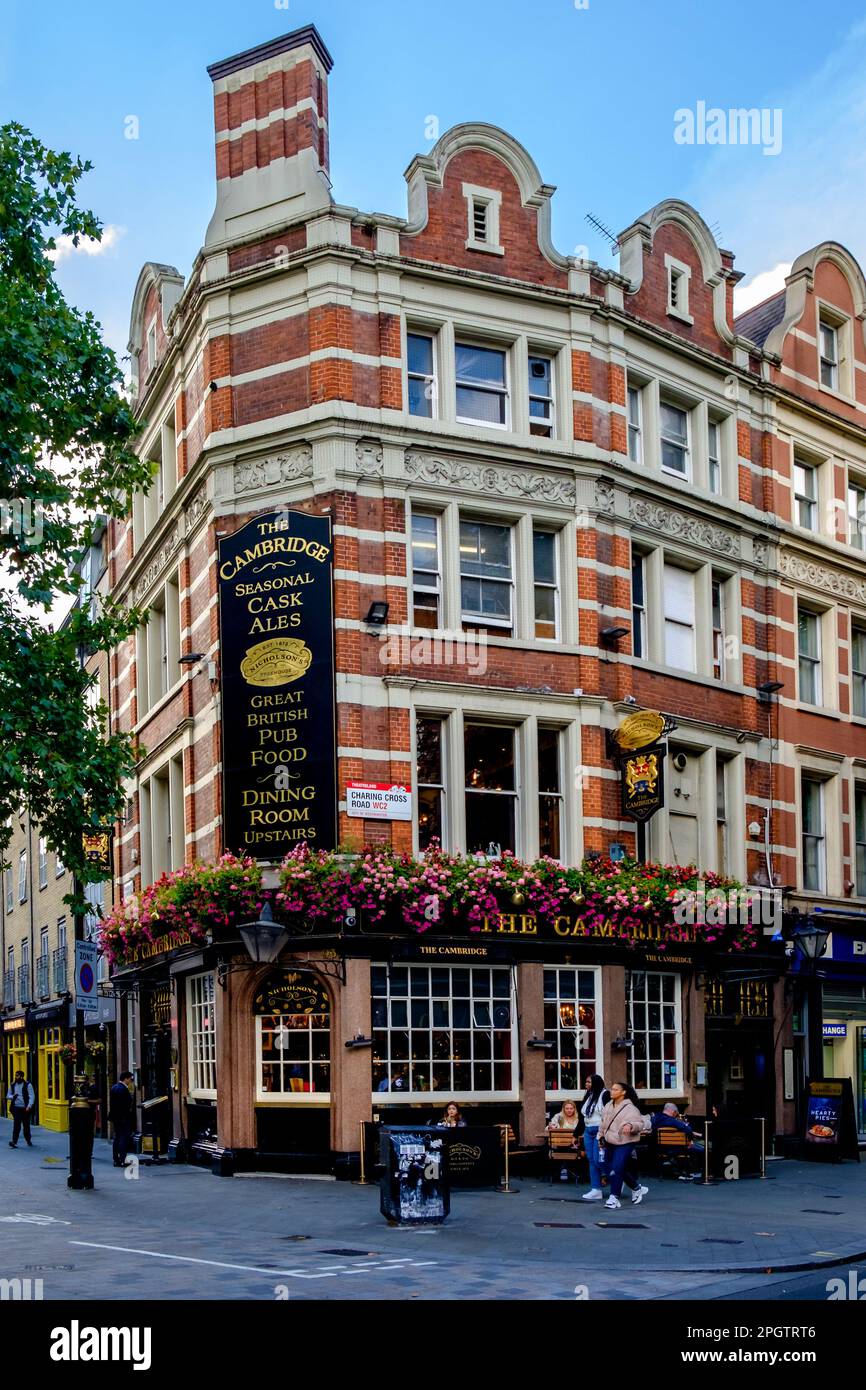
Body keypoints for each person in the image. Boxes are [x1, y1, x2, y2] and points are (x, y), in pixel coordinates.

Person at [597, 1080, 651, 1210]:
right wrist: (600, 1137)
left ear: (623, 1092)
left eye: (616, 1089)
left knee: (616, 1168)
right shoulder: (609, 1105)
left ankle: (614, 1198)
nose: (612, 1091)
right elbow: (603, 1124)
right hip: (610, 1141)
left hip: (625, 1142)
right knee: (614, 1168)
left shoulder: (630, 1108)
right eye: (612, 1089)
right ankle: (636, 1188)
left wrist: (630, 1125)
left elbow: (639, 1124)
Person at [578, 1073, 610, 1201]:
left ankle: (620, 1177)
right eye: (586, 1082)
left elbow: (609, 1114)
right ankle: (595, 1189)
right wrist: (576, 1134)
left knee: (598, 1160)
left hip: (599, 1130)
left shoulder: (605, 1094)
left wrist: (604, 1132)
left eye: (589, 1082)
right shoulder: (589, 1096)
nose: (586, 1084)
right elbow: (583, 1117)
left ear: (596, 1083)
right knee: (591, 1160)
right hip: (588, 1130)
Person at [652, 1102, 704, 1179]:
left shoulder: (655, 1118)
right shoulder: (672, 1120)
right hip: (676, 1149)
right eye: (676, 1113)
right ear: (673, 1112)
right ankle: (697, 1171)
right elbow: (688, 1130)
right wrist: (690, 1141)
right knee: (702, 1149)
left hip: (660, 1148)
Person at [548, 1097, 580, 1182]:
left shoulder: (578, 1119)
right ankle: (564, 1169)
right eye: (567, 1108)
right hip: (559, 1145)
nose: (569, 1110)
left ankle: (564, 1169)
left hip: (573, 1145)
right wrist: (551, 1127)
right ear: (563, 1109)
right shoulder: (558, 1117)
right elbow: (548, 1128)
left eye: (571, 1108)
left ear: (574, 1109)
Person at [109, 1071, 136, 1168]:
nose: (130, 1081)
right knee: (123, 1138)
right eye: (130, 1079)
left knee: (116, 1138)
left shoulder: (114, 1087)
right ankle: (122, 1160)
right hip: (123, 1118)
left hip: (116, 1118)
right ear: (126, 1078)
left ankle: (116, 1159)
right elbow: (126, 1105)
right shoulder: (124, 1089)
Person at [6, 1070, 35, 1148]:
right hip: (16, 1108)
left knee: (26, 1126)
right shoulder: (12, 1085)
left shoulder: (28, 1085)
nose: (16, 1077)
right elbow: (8, 1095)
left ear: (22, 1077)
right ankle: (14, 1142)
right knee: (16, 1125)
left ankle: (28, 1139)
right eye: (16, 1075)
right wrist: (13, 1096)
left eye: (18, 1076)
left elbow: (32, 1096)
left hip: (25, 1108)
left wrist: (29, 1106)